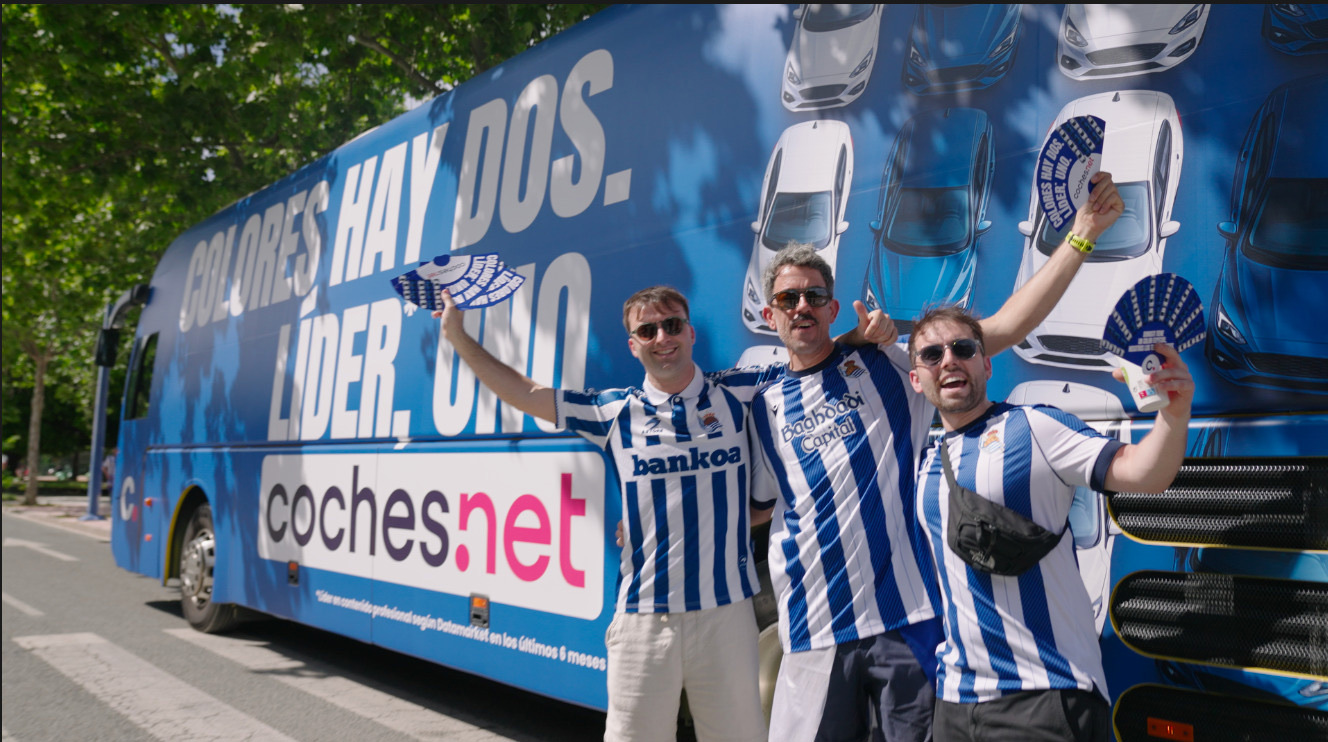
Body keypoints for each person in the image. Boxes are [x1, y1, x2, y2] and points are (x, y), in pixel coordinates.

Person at [748, 172, 1124, 742]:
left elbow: (1007, 324)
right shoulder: (761, 405)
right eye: (787, 299)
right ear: (770, 313)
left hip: (908, 622)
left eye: (814, 297)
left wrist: (1081, 236)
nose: (801, 307)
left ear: (832, 308)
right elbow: (751, 503)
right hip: (816, 627)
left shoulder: (894, 365)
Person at [435, 284, 891, 742]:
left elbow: (809, 354)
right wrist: (458, 337)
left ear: (691, 333)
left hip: (728, 618)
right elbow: (526, 392)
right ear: (633, 346)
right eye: (647, 331)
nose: (661, 338)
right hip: (644, 622)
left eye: (672, 325)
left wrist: (861, 336)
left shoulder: (738, 390)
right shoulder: (614, 411)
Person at [906, 306, 1193, 741]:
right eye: (932, 355)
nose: (948, 360)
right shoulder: (926, 463)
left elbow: (1144, 473)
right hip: (955, 700)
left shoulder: (1035, 426)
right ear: (916, 379)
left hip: (1044, 696)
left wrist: (1174, 412)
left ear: (986, 364)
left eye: (963, 348)